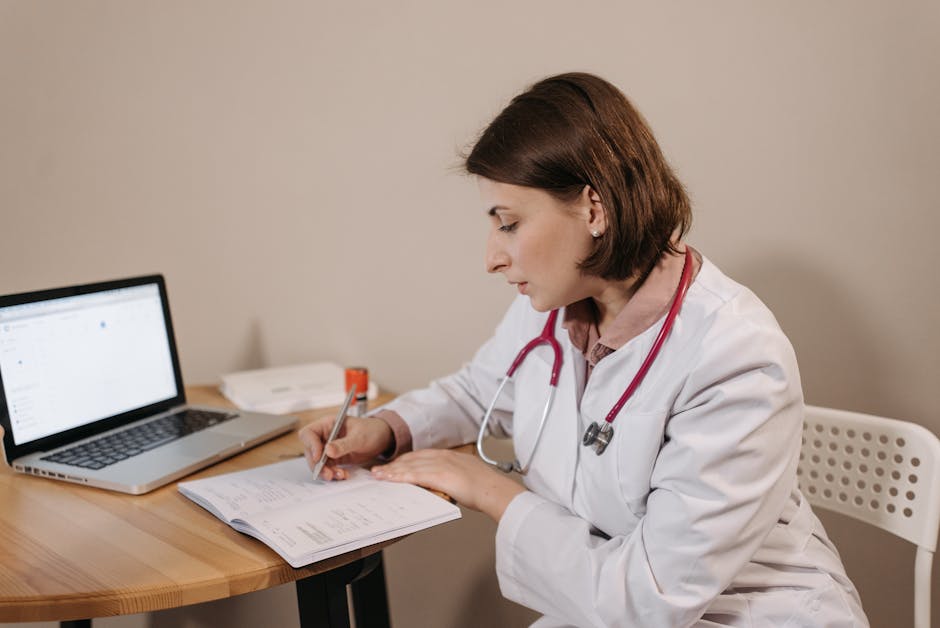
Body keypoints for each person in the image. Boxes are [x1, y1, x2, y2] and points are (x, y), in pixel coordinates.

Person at [298, 72, 868, 627]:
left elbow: (652, 599)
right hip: (611, 598)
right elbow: (480, 390)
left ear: (594, 209)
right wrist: (387, 429)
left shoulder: (734, 354)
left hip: (747, 610)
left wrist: (490, 490)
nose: (491, 258)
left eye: (509, 224)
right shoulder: (553, 306)